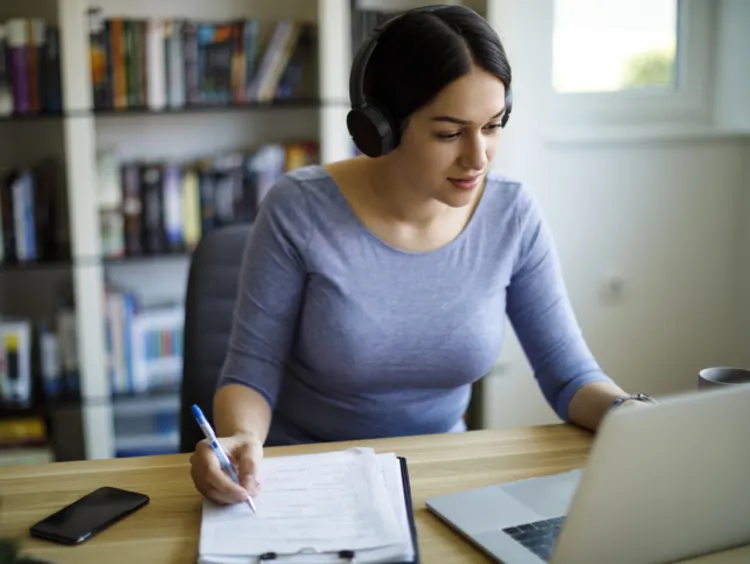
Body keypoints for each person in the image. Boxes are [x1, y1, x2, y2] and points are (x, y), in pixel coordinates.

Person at [190, 4, 653, 506]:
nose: (478, 158)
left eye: (493, 126)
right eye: (449, 133)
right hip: (306, 480)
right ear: (381, 127)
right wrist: (241, 436)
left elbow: (569, 376)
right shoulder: (298, 210)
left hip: (444, 482)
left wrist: (634, 415)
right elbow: (250, 372)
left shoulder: (512, 214)